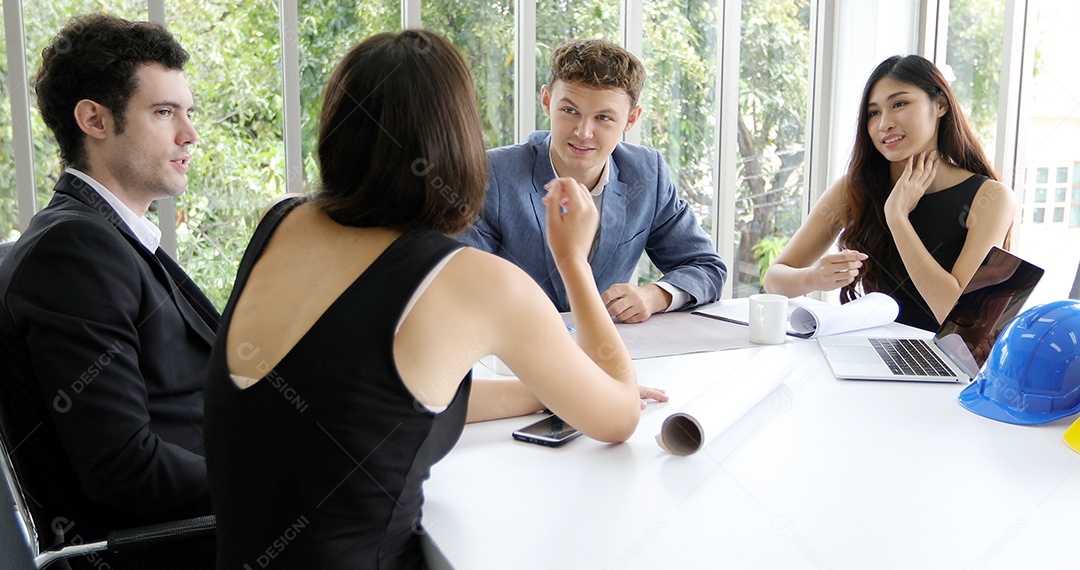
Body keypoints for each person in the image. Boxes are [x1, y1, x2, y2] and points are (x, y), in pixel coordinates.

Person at [203, 30, 649, 569]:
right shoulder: (471, 280)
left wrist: (545, 390)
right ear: (458, 139)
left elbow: (377, 401)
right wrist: (572, 259)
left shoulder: (281, 222)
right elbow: (620, 415)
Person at [0, 13, 216, 566]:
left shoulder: (108, 238)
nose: (189, 134)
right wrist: (280, 479)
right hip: (174, 545)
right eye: (164, 112)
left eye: (187, 113)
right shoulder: (74, 250)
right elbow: (124, 467)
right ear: (95, 119)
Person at [456, 39, 727, 323]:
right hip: (510, 353)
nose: (583, 132)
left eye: (603, 118)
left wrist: (654, 295)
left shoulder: (646, 173)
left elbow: (706, 266)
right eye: (570, 111)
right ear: (547, 101)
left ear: (631, 119)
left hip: (607, 350)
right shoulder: (494, 173)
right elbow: (457, 278)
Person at [762, 55, 1016, 331]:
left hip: (940, 366)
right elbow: (774, 279)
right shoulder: (854, 189)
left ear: (940, 104)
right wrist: (813, 277)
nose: (884, 124)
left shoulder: (990, 198)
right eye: (874, 113)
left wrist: (897, 217)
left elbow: (952, 314)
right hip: (864, 350)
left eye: (899, 104)